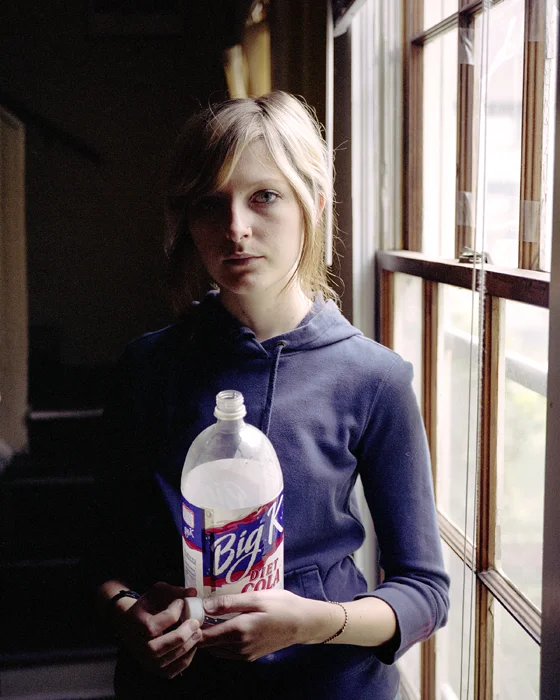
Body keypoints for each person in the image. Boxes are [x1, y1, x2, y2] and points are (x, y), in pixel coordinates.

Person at [93, 91, 449, 700]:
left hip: (331, 685)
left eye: (264, 196)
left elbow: (425, 591)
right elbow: (99, 558)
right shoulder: (146, 367)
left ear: (313, 203)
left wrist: (311, 622)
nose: (236, 228)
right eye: (211, 204)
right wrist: (128, 611)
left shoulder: (374, 377)